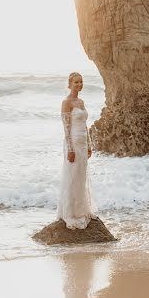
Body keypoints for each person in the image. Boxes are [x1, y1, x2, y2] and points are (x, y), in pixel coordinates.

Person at [56, 72, 96, 229]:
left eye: (81, 82)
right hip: (72, 142)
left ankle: (81, 210)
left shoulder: (81, 101)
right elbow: (66, 128)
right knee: (72, 177)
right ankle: (71, 213)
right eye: (76, 82)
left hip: (83, 143)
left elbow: (85, 125)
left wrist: (89, 145)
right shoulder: (66, 102)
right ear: (70, 84)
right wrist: (70, 149)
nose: (79, 85)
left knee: (81, 176)